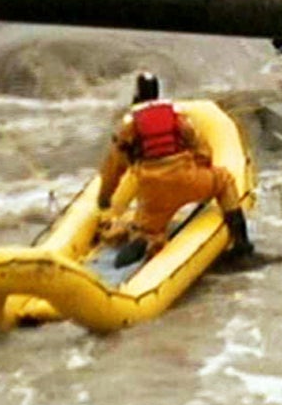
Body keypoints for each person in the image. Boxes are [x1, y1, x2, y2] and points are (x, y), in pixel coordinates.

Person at [97, 72, 254, 267]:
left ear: (137, 96)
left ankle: (135, 250)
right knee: (224, 181)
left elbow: (114, 165)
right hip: (187, 177)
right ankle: (242, 247)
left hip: (155, 193)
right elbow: (200, 146)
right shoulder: (175, 115)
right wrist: (201, 170)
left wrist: (104, 198)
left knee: (146, 232)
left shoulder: (129, 124)